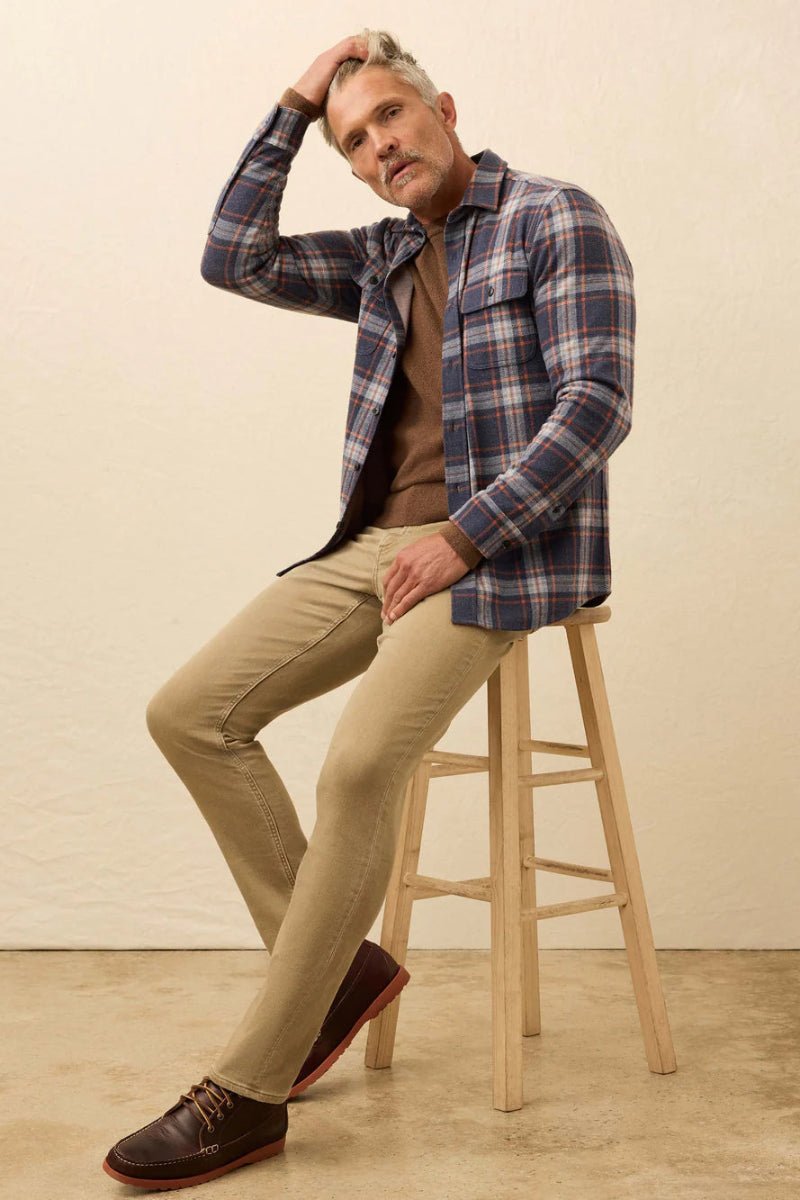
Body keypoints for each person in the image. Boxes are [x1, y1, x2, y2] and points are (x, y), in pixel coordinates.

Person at [102, 26, 635, 1190]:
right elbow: (230, 258)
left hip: (501, 552)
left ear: (442, 107)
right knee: (188, 711)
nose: (379, 145)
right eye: (354, 139)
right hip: (376, 548)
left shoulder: (555, 218)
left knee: (352, 772)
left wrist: (466, 533)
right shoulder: (382, 256)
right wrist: (292, 105)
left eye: (389, 117)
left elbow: (596, 405)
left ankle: (247, 1093)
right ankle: (334, 969)